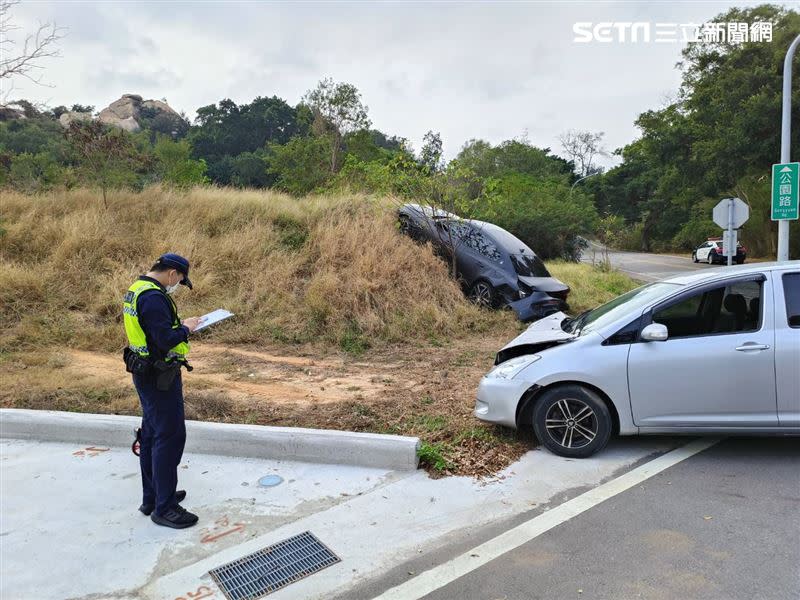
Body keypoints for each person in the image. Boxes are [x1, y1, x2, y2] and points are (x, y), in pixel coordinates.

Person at [122, 253, 204, 529]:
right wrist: (187, 328)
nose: (177, 285)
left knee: (152, 435)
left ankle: (154, 497)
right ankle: (165, 508)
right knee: (169, 438)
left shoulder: (137, 289)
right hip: (159, 377)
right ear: (172, 274)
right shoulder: (154, 298)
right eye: (179, 281)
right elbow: (165, 338)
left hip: (145, 373)